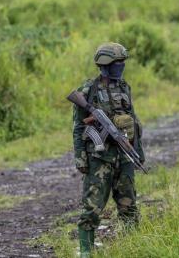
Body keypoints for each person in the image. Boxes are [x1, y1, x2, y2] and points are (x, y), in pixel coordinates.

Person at [72, 43, 145, 257]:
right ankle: (86, 251)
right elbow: (78, 126)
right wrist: (81, 159)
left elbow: (133, 120)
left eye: (122, 62)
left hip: (124, 155)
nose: (121, 66)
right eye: (117, 63)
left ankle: (133, 247)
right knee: (92, 208)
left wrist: (138, 151)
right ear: (105, 64)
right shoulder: (88, 90)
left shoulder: (124, 87)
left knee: (129, 205)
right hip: (99, 158)